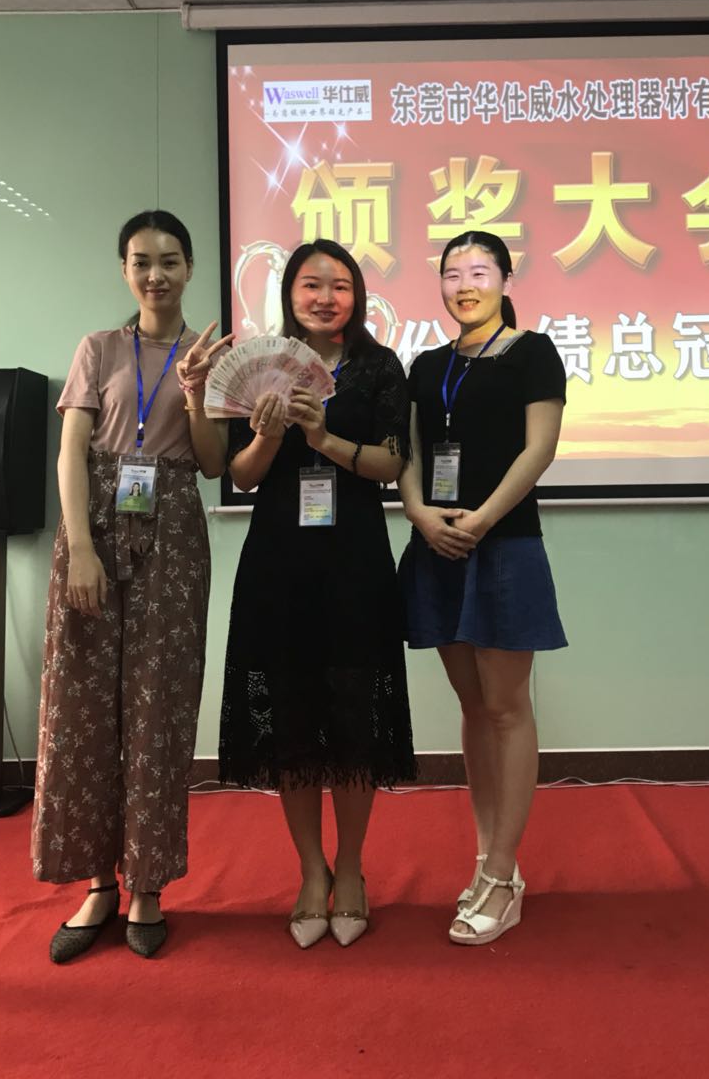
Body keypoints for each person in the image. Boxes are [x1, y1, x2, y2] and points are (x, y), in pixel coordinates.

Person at [31, 209, 231, 962]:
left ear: (190, 268)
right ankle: (96, 882)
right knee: (81, 706)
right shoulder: (98, 348)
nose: (156, 274)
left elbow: (212, 464)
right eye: (142, 261)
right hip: (94, 526)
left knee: (158, 707)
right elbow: (71, 452)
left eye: (170, 260)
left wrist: (196, 393)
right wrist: (80, 547)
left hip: (172, 531)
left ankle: (147, 883)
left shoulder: (207, 355)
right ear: (124, 269)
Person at [219, 238, 416, 949]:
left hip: (354, 561)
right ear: (289, 293)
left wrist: (323, 436)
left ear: (356, 296)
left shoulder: (379, 367)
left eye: (339, 286)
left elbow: (393, 462)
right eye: (311, 284)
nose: (325, 297)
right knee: (292, 720)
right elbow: (241, 476)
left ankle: (352, 868)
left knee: (354, 717)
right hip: (278, 562)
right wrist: (271, 437)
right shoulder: (262, 365)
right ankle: (311, 871)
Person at [398, 229, 567, 946]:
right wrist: (417, 512)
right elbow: (407, 451)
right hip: (437, 545)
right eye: (452, 273)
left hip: (503, 545)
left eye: (479, 271)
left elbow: (540, 448)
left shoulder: (534, 352)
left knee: (506, 708)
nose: (465, 285)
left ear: (504, 278)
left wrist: (483, 519)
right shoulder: (427, 364)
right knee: (472, 707)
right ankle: (487, 859)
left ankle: (502, 874)